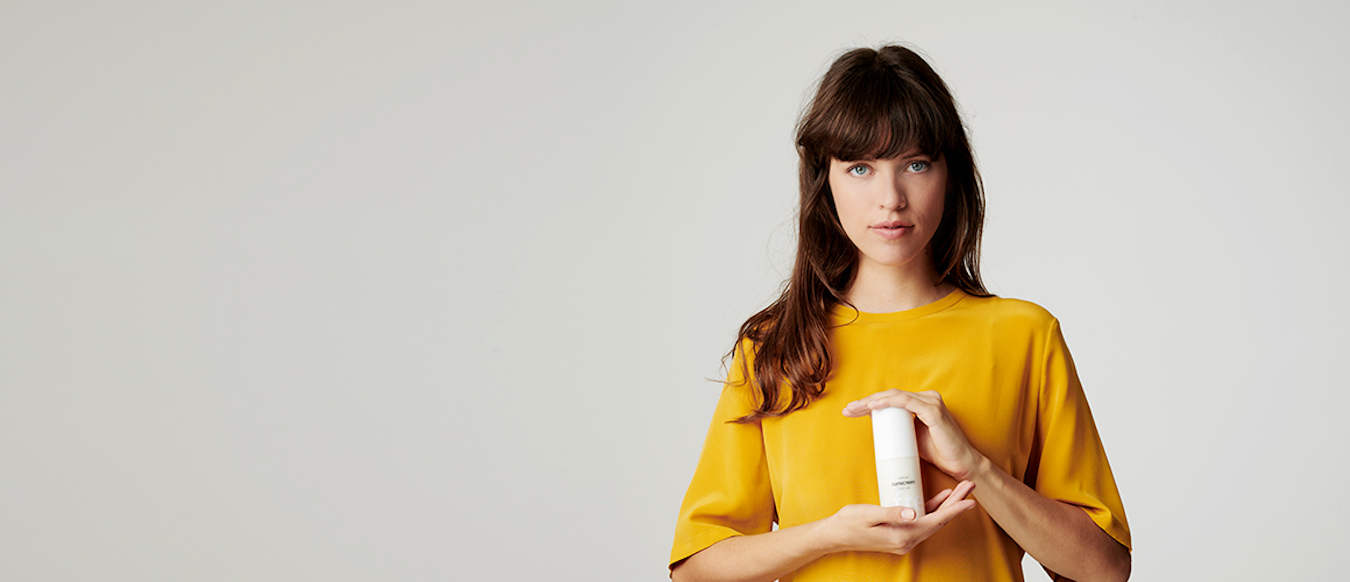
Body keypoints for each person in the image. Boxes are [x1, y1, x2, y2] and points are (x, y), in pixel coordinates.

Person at [668, 46, 1131, 582]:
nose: (890, 198)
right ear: (825, 181)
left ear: (949, 174)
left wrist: (976, 467)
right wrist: (829, 535)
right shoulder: (776, 345)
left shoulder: (1024, 335)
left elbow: (1104, 570)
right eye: (860, 168)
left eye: (915, 164)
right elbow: (696, 570)